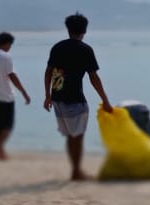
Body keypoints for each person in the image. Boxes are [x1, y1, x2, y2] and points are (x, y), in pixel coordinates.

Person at [44, 13, 113, 181]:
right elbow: (93, 78)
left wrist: (48, 96)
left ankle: (75, 170)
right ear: (85, 30)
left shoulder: (57, 47)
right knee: (78, 137)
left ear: (68, 29)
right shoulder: (85, 49)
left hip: (58, 98)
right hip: (74, 100)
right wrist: (105, 100)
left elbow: (48, 72)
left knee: (70, 136)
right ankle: (76, 172)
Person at [0, 32, 31, 161]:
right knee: (8, 125)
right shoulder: (6, 57)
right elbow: (12, 76)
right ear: (6, 43)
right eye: (10, 44)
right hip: (5, 96)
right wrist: (24, 92)